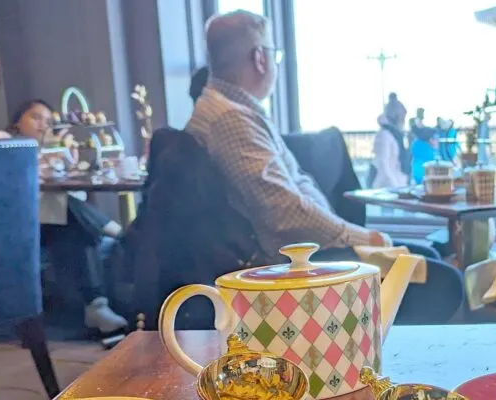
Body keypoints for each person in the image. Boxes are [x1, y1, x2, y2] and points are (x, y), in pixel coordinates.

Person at [185, 10, 465, 322]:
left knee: (426, 259)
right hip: (289, 265)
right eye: (273, 54)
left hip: (300, 252)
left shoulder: (229, 110)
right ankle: (371, 359)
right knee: (443, 280)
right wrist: (358, 237)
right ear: (259, 59)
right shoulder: (231, 120)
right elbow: (285, 213)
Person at [0, 100, 128, 334]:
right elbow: (5, 176)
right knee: (66, 209)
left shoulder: (48, 150)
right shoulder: (1, 139)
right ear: (17, 121)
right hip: (11, 226)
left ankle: (96, 306)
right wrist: (46, 162)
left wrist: (65, 163)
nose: (43, 124)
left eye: (48, 121)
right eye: (36, 117)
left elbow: (76, 193)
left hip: (45, 225)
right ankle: (119, 233)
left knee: (75, 228)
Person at [369, 93, 410, 188]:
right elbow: (383, 165)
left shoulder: (396, 135)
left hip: (395, 185)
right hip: (385, 188)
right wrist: (396, 187)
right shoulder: (384, 135)